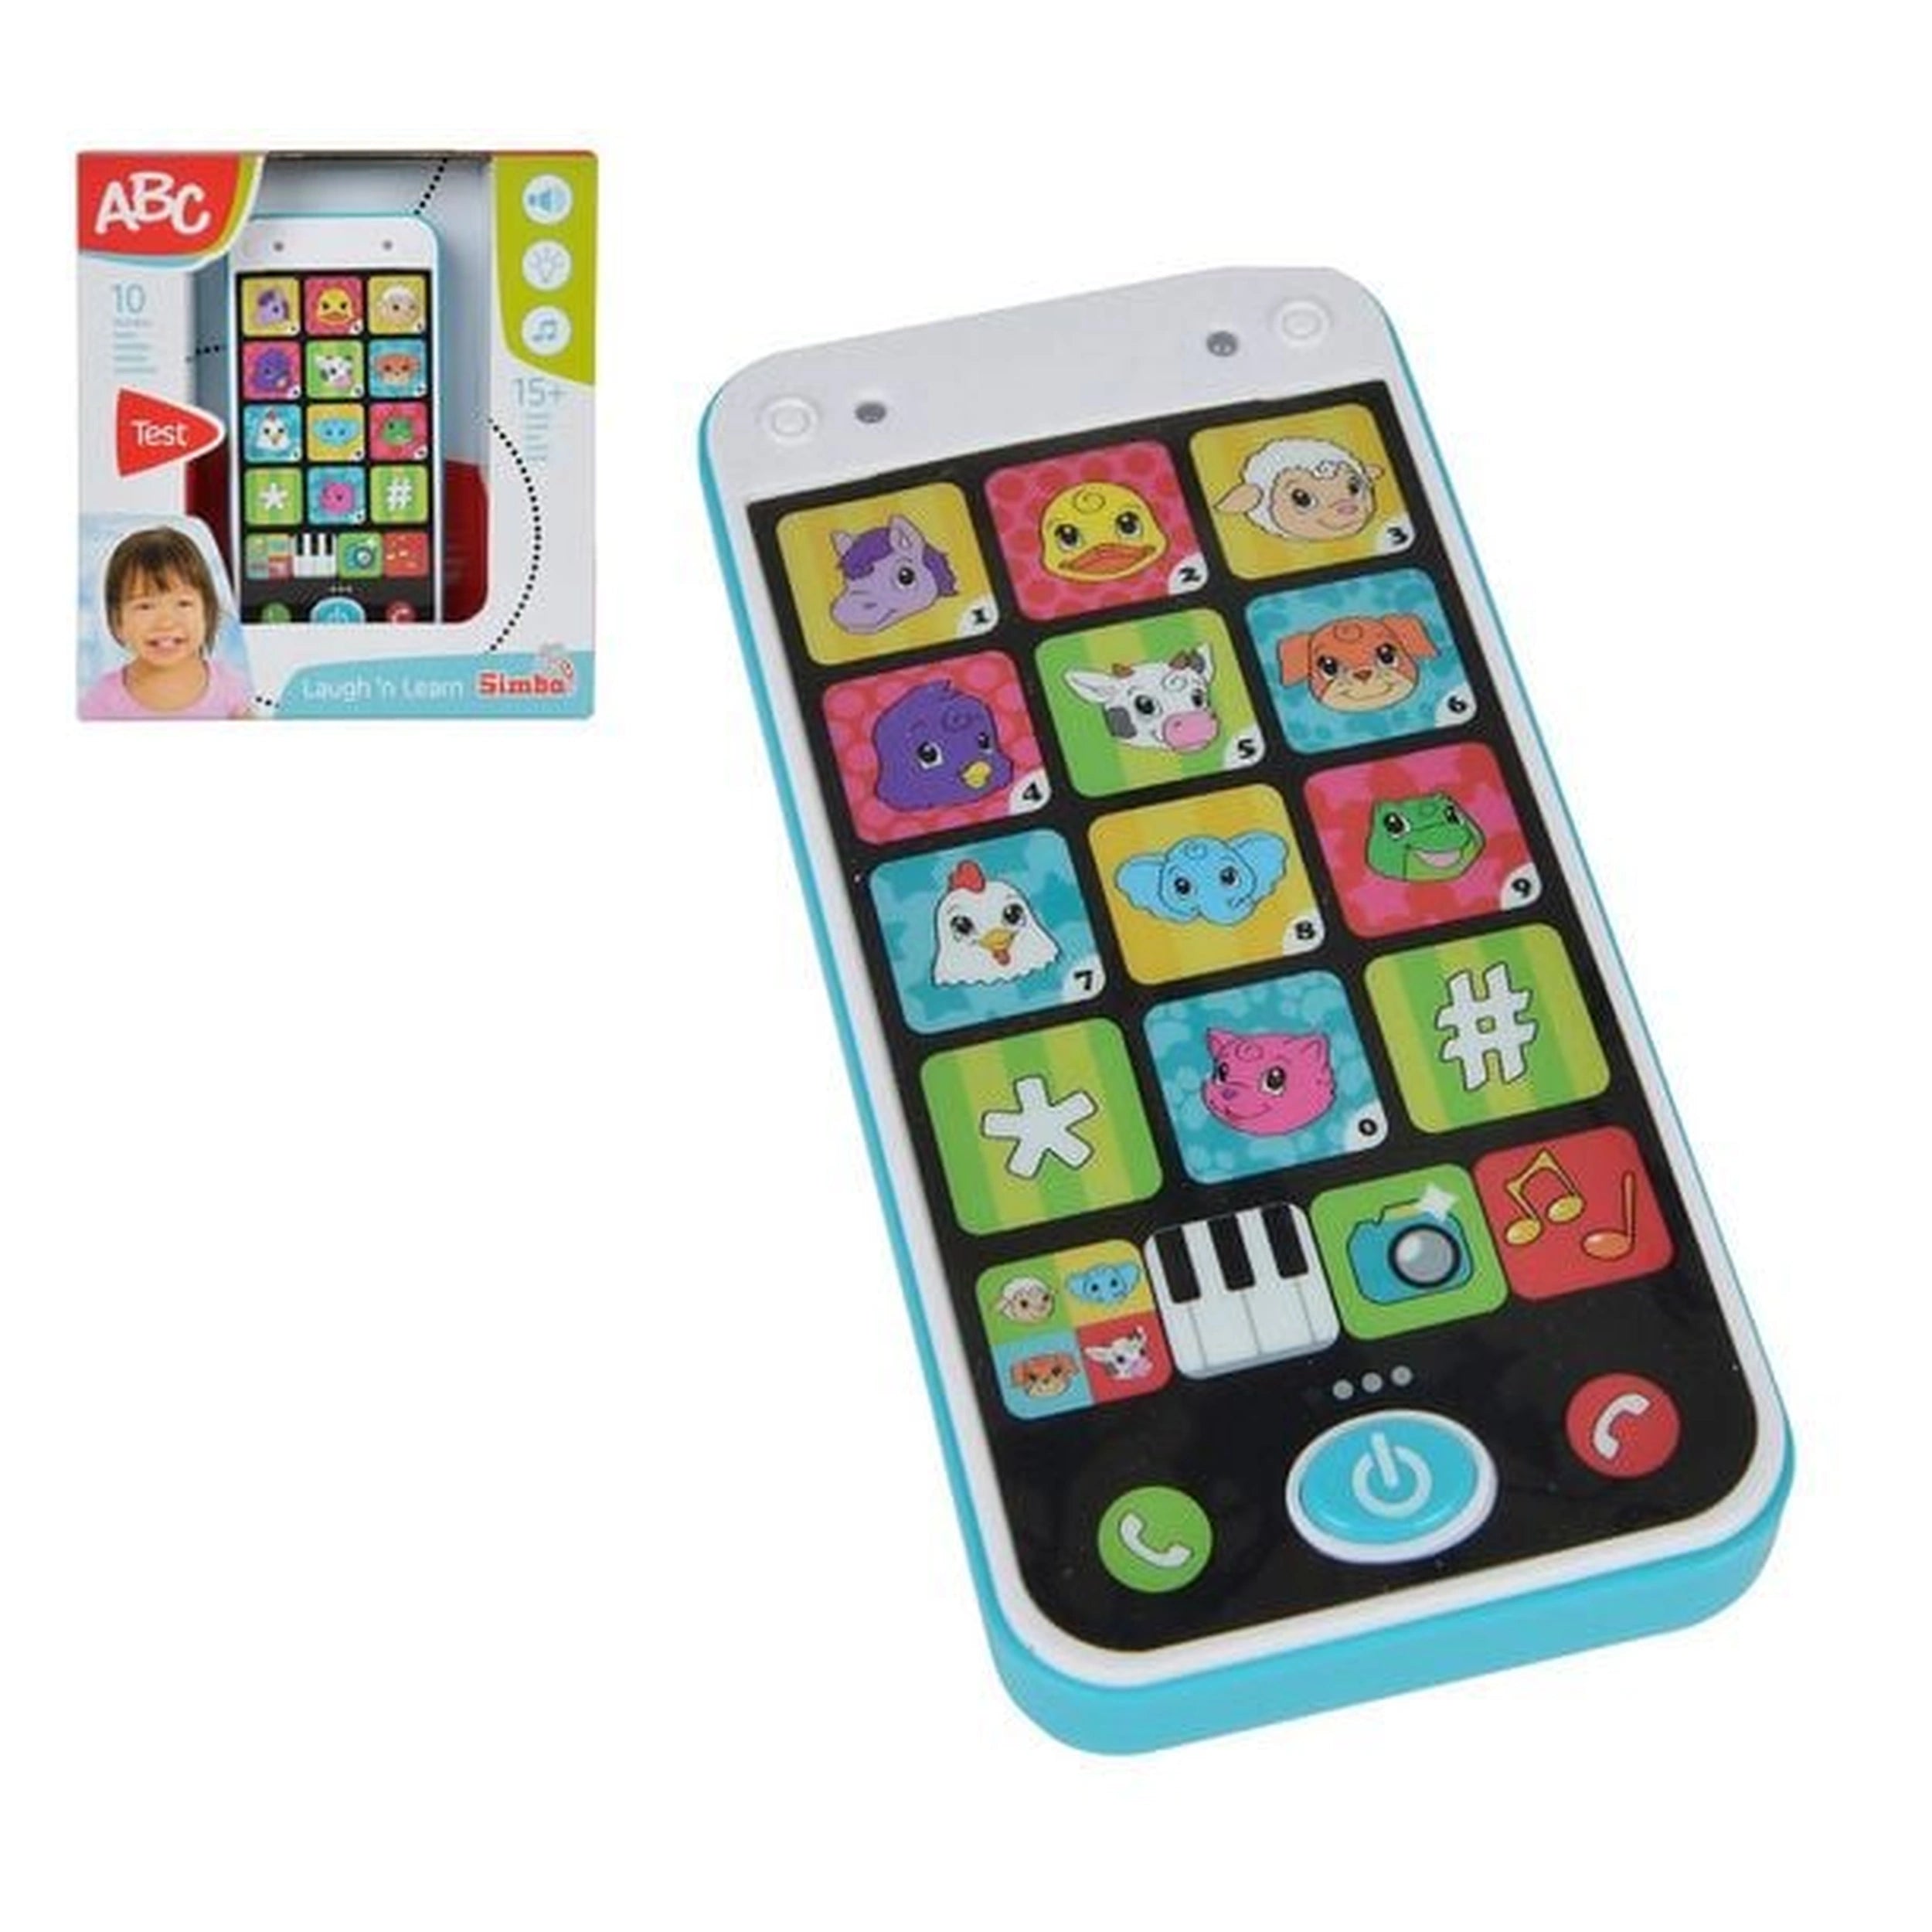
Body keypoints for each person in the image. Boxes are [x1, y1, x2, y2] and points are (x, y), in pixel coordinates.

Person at [80, 527, 252, 719]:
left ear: (207, 611)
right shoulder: (101, 702)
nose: (166, 622)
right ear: (118, 621)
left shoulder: (233, 691)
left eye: (183, 603)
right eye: (145, 606)